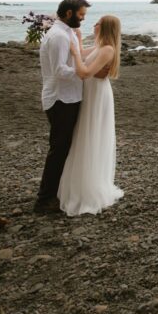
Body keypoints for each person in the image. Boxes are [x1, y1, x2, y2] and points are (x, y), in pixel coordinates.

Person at [58, 14, 124, 216]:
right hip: (91, 92)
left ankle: (89, 188)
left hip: (97, 95)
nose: (94, 24)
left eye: (98, 23)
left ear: (104, 28)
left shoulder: (107, 49)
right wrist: (75, 39)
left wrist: (75, 54)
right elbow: (82, 53)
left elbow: (85, 71)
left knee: (91, 134)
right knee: (84, 133)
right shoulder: (99, 46)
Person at [34, 0, 90, 214]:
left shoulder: (67, 32)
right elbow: (59, 71)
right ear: (69, 13)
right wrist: (85, 73)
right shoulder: (58, 36)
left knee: (64, 147)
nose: (83, 19)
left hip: (69, 97)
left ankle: (57, 193)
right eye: (81, 14)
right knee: (58, 149)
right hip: (60, 99)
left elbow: (75, 58)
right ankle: (44, 200)